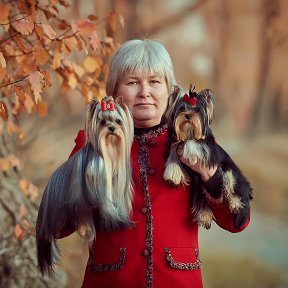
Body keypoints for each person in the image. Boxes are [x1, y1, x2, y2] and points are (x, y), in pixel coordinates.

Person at [68, 39, 251, 288]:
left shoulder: (196, 140)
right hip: (111, 280)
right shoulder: (91, 141)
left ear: (169, 89)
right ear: (115, 90)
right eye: (132, 82)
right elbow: (58, 225)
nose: (145, 92)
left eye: (154, 82)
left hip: (178, 280)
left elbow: (236, 223)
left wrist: (211, 176)